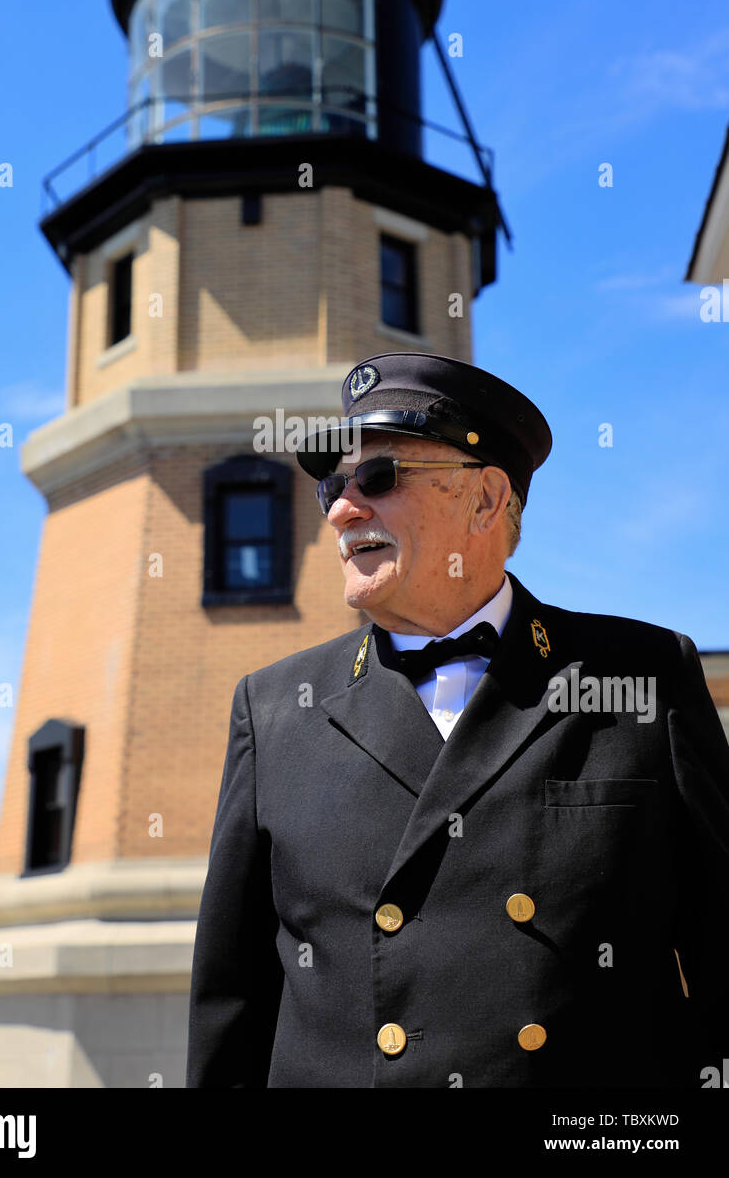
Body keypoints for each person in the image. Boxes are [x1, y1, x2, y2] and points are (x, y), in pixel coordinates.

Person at [186, 352, 729, 1089]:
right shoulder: (276, 707)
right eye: (333, 486)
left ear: (484, 499)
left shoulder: (642, 672)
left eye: (380, 477)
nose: (344, 508)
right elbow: (233, 1003)